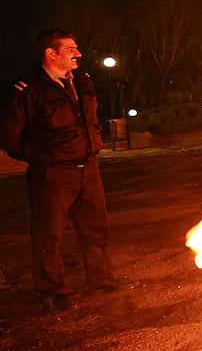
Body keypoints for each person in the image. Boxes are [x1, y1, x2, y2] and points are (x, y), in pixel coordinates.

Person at [1, 30, 121, 310]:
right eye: (70, 49)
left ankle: (100, 279)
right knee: (49, 233)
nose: (78, 54)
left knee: (95, 228)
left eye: (76, 48)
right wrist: (43, 156)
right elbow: (10, 136)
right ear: (50, 54)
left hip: (88, 168)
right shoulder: (28, 90)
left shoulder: (82, 81)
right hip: (53, 174)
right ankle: (52, 290)